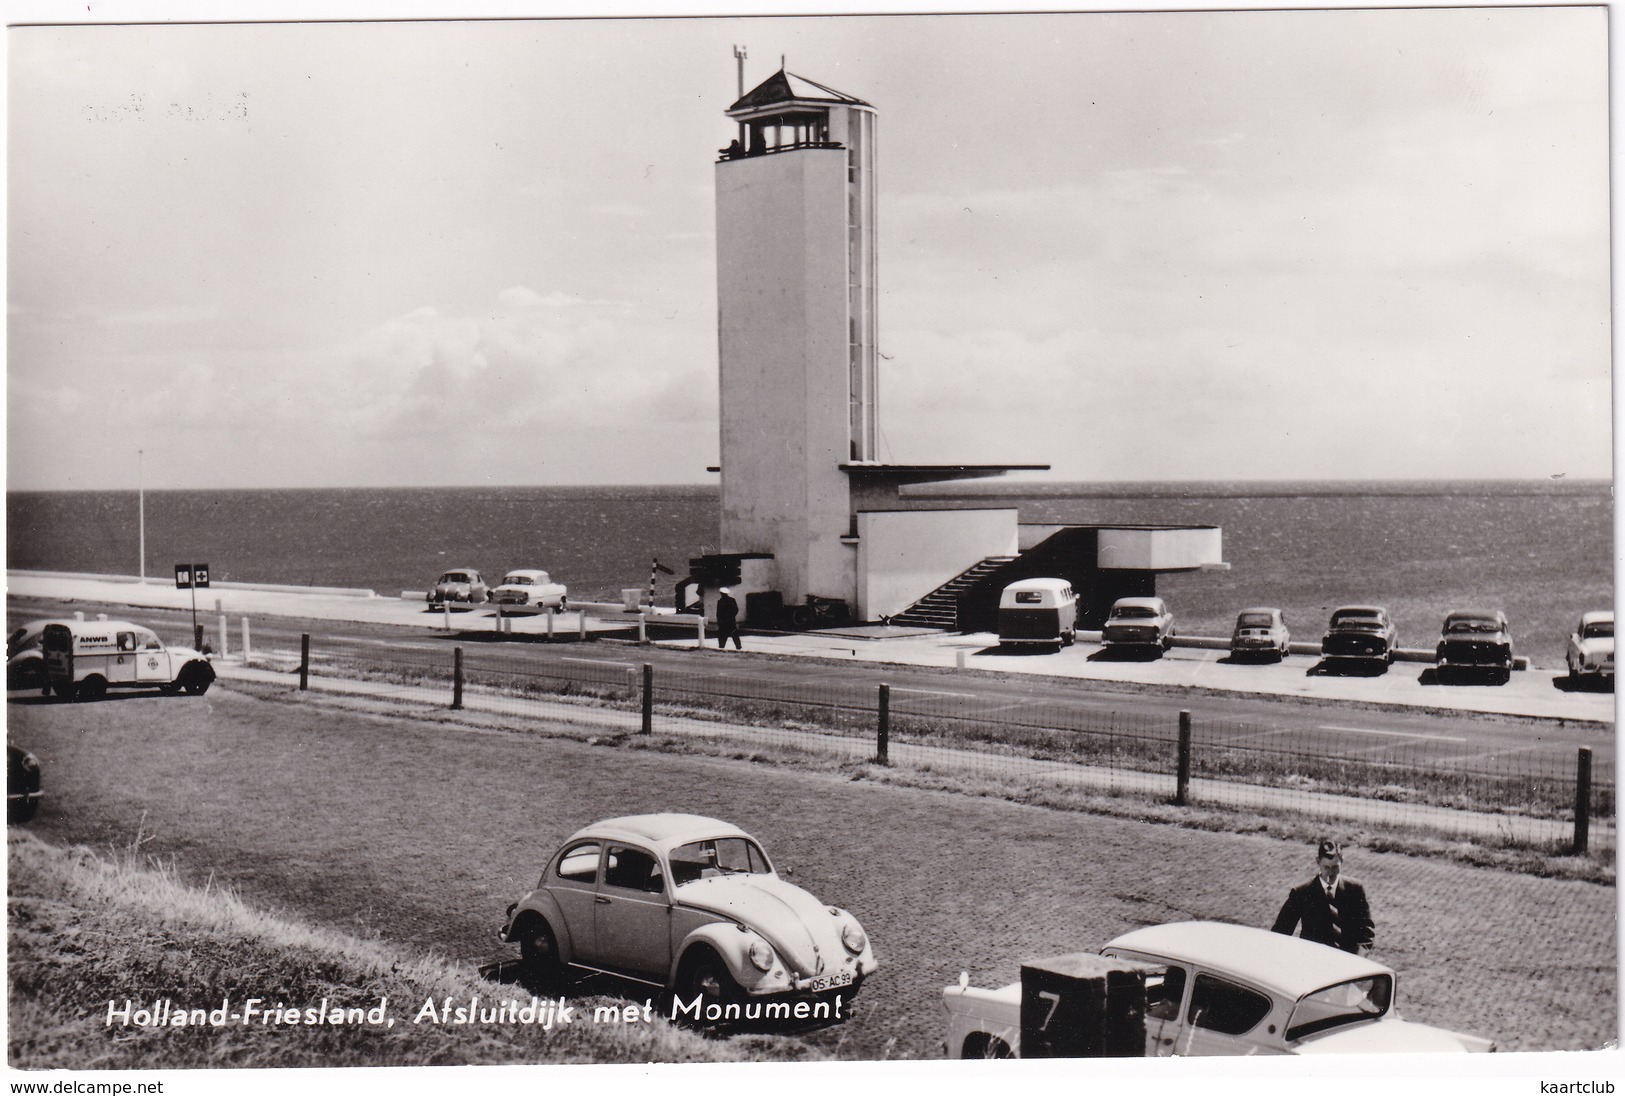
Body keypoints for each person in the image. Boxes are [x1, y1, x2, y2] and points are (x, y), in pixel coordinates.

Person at [1270, 838, 1374, 954]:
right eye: (1326, 867)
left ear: (1342, 861)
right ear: (1318, 861)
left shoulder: (1355, 889)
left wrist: (1358, 957)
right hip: (1313, 960)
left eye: (1335, 867)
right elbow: (1281, 931)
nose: (1330, 873)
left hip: (1348, 961)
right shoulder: (1301, 893)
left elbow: (1366, 929)